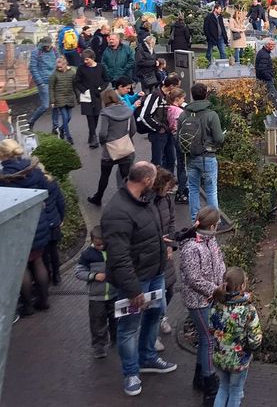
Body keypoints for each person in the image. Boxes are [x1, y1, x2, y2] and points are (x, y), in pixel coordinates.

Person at [102, 162, 177, 397]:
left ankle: (148, 358)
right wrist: (134, 290)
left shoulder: (146, 200)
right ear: (146, 181)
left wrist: (164, 248)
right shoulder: (117, 212)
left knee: (155, 313)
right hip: (136, 281)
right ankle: (131, 373)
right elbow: (118, 256)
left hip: (155, 273)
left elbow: (150, 233)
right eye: (154, 179)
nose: (156, 184)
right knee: (129, 328)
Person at [1, 139, 65, 317]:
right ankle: (44, 301)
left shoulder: (4, 177)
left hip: (16, 227)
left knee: (22, 267)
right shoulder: (34, 171)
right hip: (39, 224)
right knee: (38, 261)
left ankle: (28, 306)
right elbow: (48, 193)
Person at [179, 206, 226, 405]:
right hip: (198, 301)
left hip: (211, 297)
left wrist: (223, 281)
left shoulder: (211, 240)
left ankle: (199, 377)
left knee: (206, 338)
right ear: (213, 225)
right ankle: (209, 387)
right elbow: (193, 279)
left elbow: (220, 262)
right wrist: (215, 290)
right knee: (209, 340)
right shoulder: (191, 247)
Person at [209, 267, 263, 407]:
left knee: (223, 388)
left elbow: (211, 329)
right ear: (243, 286)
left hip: (220, 357)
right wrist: (250, 349)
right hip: (238, 360)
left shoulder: (216, 305)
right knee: (236, 392)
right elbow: (255, 338)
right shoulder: (247, 310)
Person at [182, 83, 226, 221]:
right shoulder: (211, 115)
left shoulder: (184, 114)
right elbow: (219, 138)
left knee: (193, 189)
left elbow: (178, 135)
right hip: (207, 156)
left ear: (192, 95)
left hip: (190, 157)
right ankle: (214, 220)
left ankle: (195, 219)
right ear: (206, 94)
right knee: (211, 190)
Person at [87, 88, 137, 207]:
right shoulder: (128, 110)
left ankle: (98, 198)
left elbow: (103, 133)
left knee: (104, 176)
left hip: (110, 150)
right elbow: (133, 130)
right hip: (125, 148)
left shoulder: (106, 112)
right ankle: (129, 199)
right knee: (126, 176)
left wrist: (104, 143)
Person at [76, 225, 118, 359]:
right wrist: (93, 276)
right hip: (96, 297)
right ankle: (99, 346)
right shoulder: (88, 254)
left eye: (103, 244)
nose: (100, 247)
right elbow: (78, 272)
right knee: (97, 322)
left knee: (116, 319)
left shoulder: (113, 251)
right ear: (92, 241)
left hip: (113, 294)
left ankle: (116, 341)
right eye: (97, 244)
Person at [150, 167, 178, 349]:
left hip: (165, 252)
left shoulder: (167, 199)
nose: (170, 190)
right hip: (153, 255)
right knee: (155, 296)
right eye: (168, 186)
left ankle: (161, 317)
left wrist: (171, 245)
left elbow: (172, 222)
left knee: (169, 289)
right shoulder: (148, 202)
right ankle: (152, 335)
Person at [75, 49, 109, 147]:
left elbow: (106, 81)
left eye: (87, 60)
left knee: (96, 116)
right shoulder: (81, 68)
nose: (85, 62)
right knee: (89, 117)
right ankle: (94, 137)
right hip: (86, 96)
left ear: (92, 58)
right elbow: (77, 81)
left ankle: (91, 135)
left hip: (97, 96)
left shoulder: (101, 67)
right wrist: (84, 90)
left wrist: (100, 89)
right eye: (84, 60)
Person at [28, 38, 58, 131]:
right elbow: (33, 67)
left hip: (54, 80)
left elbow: (59, 62)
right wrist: (40, 82)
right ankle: (31, 121)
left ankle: (55, 126)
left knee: (55, 105)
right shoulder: (36, 52)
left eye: (48, 45)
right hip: (43, 82)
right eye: (45, 45)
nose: (46, 47)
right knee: (45, 105)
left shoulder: (54, 50)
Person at [49, 57, 76, 143]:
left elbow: (75, 87)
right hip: (59, 98)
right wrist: (52, 101)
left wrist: (79, 98)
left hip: (69, 98)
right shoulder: (54, 75)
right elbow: (51, 88)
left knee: (69, 117)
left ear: (65, 65)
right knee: (64, 117)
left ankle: (61, 128)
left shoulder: (72, 73)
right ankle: (68, 136)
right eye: (57, 67)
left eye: (60, 67)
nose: (58, 68)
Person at [255, 38, 277, 105]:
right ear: (267, 45)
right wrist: (269, 77)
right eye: (272, 45)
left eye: (274, 44)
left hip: (262, 78)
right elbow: (262, 69)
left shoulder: (262, 52)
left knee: (265, 96)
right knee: (273, 97)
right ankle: (275, 112)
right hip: (266, 79)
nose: (273, 46)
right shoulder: (265, 55)